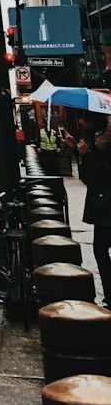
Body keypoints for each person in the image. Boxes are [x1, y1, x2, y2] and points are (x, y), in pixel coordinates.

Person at [75, 114, 111, 308]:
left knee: (101, 251)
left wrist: (86, 155)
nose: (81, 122)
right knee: (101, 251)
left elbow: (101, 175)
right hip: (104, 207)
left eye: (83, 118)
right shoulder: (98, 140)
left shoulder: (103, 143)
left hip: (106, 207)